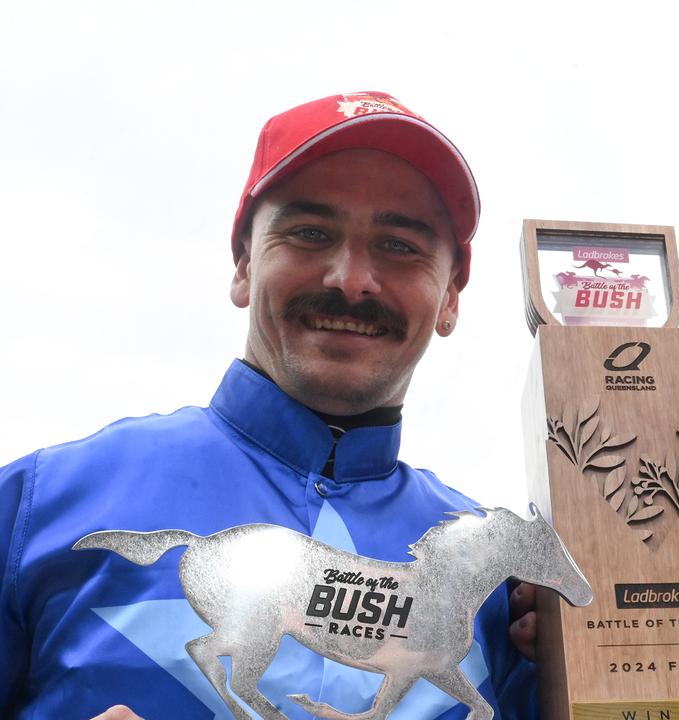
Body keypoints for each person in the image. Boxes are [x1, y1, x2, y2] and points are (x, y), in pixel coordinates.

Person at [0, 92, 535, 719]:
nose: (351, 278)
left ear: (449, 298)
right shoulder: (35, 506)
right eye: (310, 233)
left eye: (398, 245)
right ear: (245, 264)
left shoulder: (507, 598)